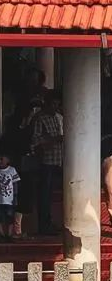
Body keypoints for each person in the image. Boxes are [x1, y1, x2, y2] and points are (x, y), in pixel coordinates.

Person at [31, 95, 63, 235]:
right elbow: (35, 140)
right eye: (52, 104)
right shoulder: (40, 119)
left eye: (57, 104)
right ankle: (43, 224)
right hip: (46, 161)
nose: (54, 107)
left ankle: (51, 222)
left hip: (59, 160)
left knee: (53, 194)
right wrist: (52, 139)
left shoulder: (60, 117)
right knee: (44, 193)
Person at [0, 152, 19, 239]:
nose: (0, 161)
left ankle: (10, 234)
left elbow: (15, 184)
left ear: (7, 160)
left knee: (10, 216)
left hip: (9, 199)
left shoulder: (12, 170)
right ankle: (2, 234)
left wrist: (15, 196)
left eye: (2, 159)